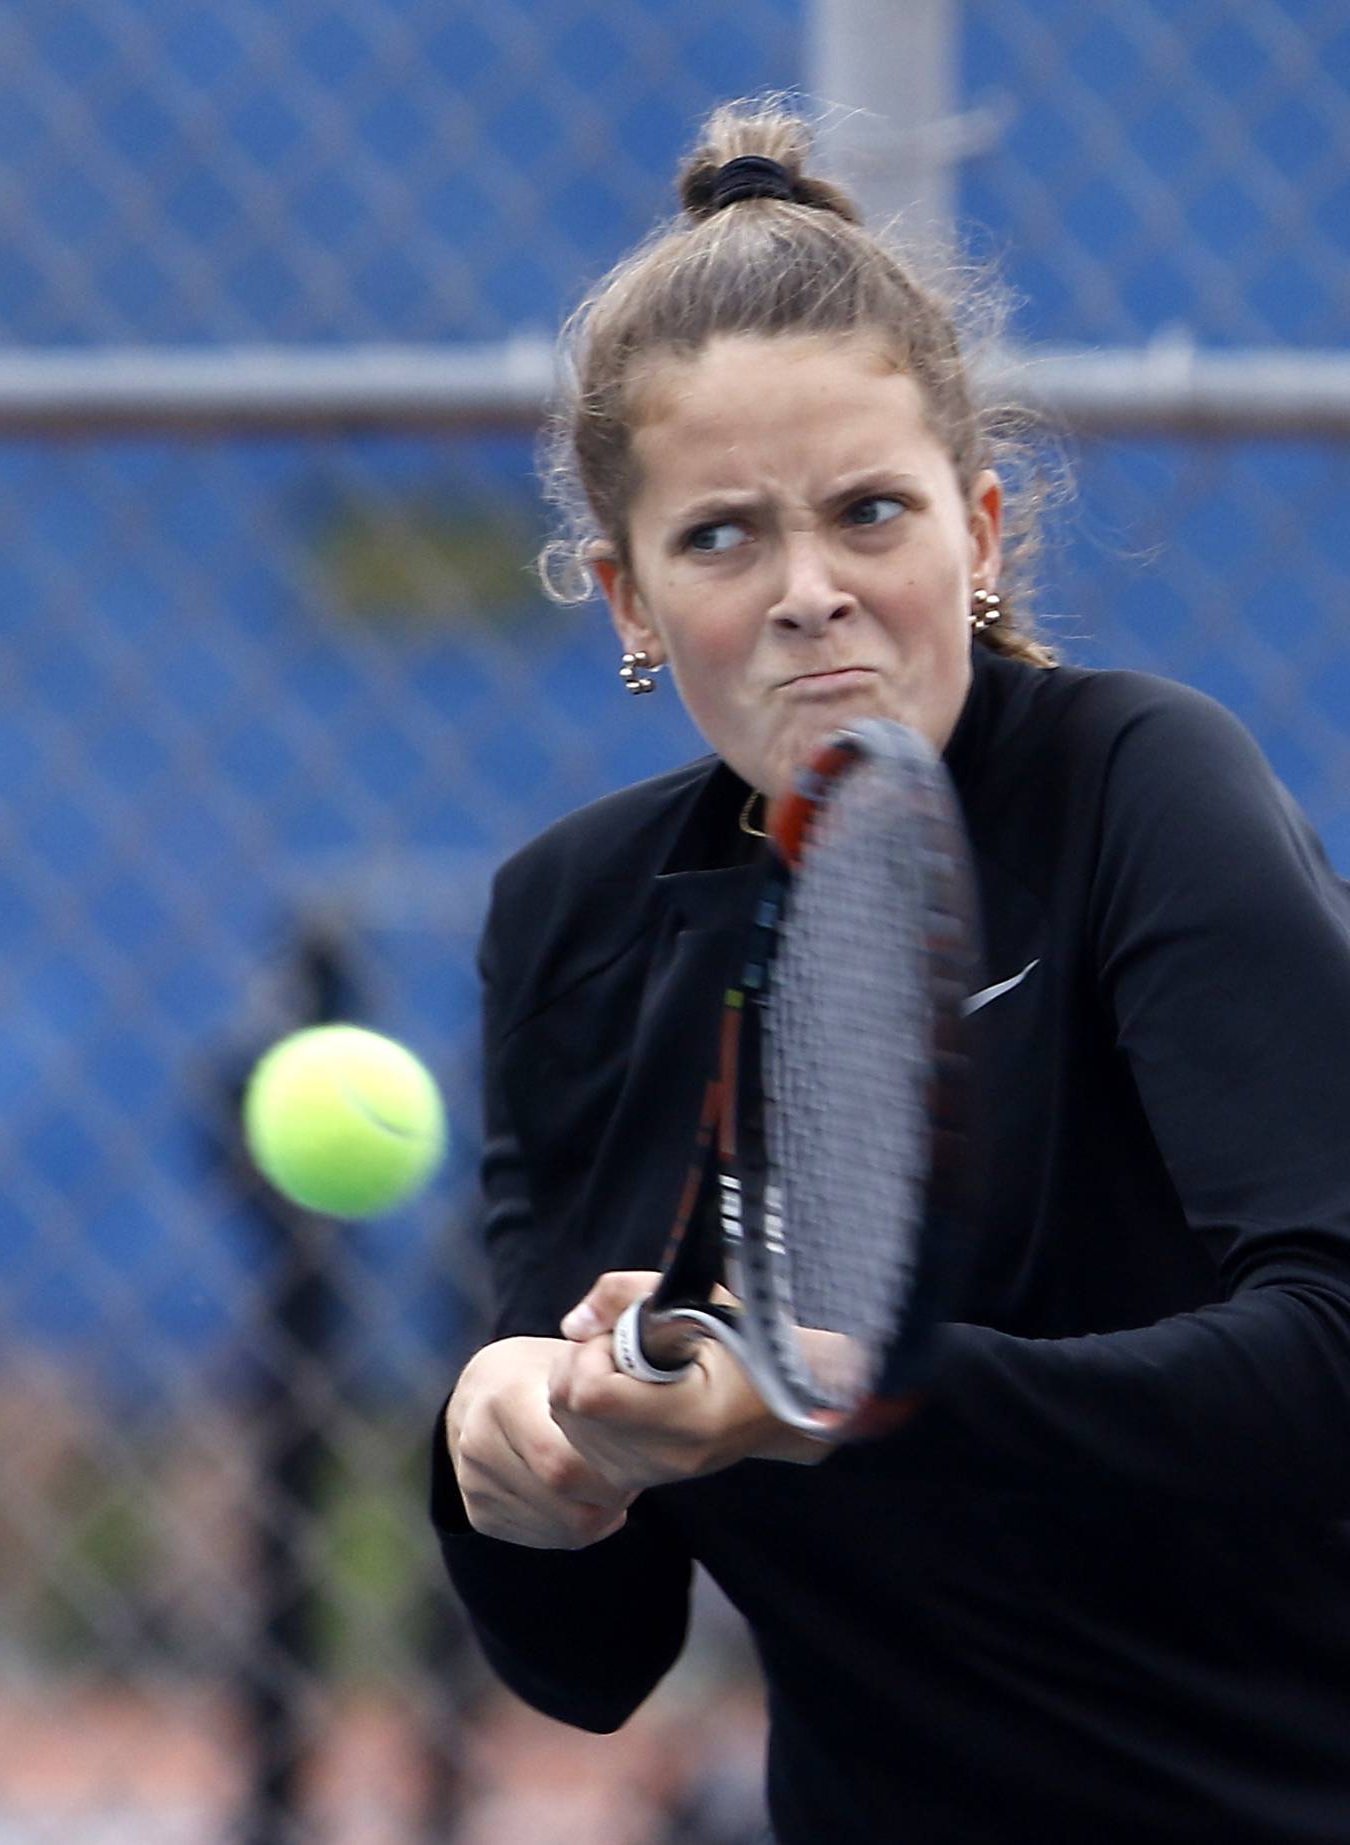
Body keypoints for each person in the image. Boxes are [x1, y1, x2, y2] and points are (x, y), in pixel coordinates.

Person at [430, 99, 1350, 1843]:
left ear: (980, 531)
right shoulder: (570, 920)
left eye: (869, 512)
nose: (809, 593)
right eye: (720, 538)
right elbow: (591, 1660)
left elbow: (1330, 1359)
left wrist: (838, 1399)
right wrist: (520, 1466)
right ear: (630, 603)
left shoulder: (1139, 785)